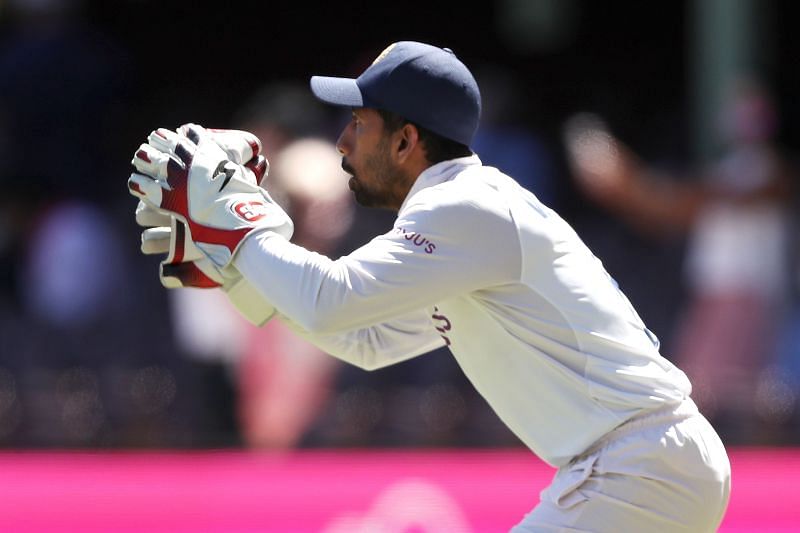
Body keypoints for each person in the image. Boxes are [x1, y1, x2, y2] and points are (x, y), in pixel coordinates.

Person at [128, 41, 731, 531]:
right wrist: (241, 273)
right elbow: (366, 339)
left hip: (638, 469)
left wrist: (239, 233)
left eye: (358, 124)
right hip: (646, 467)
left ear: (405, 140)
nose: (342, 142)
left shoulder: (461, 207)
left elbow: (331, 300)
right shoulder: (461, 215)